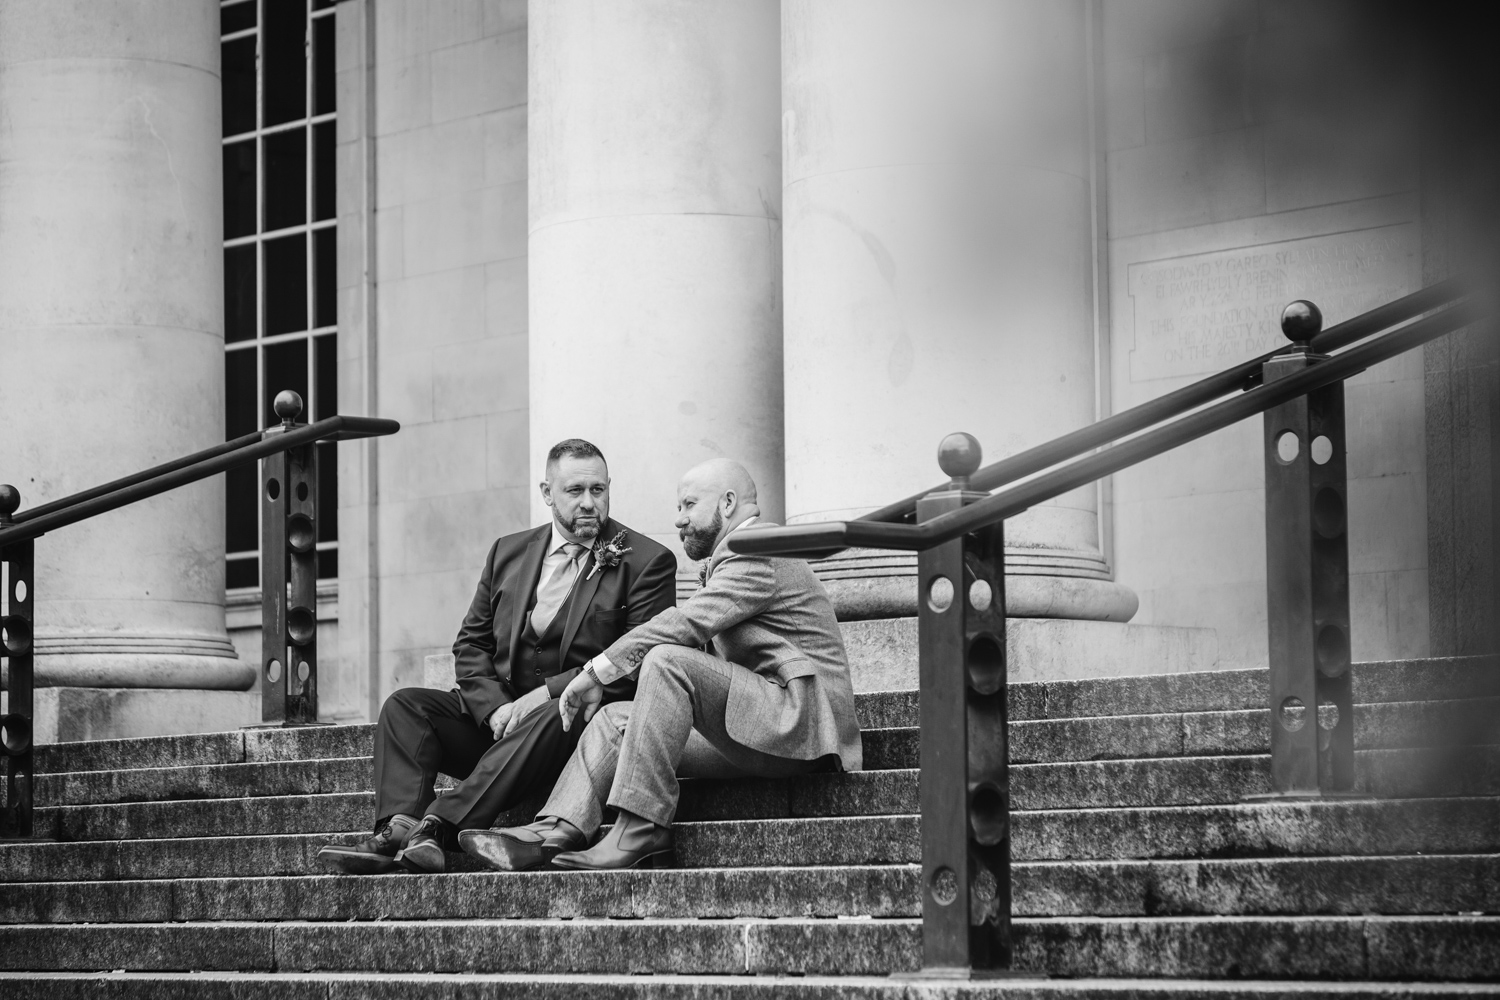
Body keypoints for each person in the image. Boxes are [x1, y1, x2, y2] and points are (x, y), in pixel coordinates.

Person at [464, 458, 860, 872]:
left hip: (801, 725)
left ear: (727, 503)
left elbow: (685, 625)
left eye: (688, 505)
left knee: (668, 659)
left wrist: (596, 671)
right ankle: (552, 831)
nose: (678, 520)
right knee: (614, 720)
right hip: (756, 724)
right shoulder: (731, 557)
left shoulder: (759, 547)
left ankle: (642, 831)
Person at [316, 438, 676, 874]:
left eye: (597, 491)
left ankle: (440, 826)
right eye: (574, 491)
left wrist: (543, 696)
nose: (588, 503)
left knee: (563, 706)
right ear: (547, 493)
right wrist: (496, 710)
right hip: (501, 728)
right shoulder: (508, 551)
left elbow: (639, 661)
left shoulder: (647, 561)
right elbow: (470, 644)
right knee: (406, 706)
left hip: (570, 730)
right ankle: (399, 825)